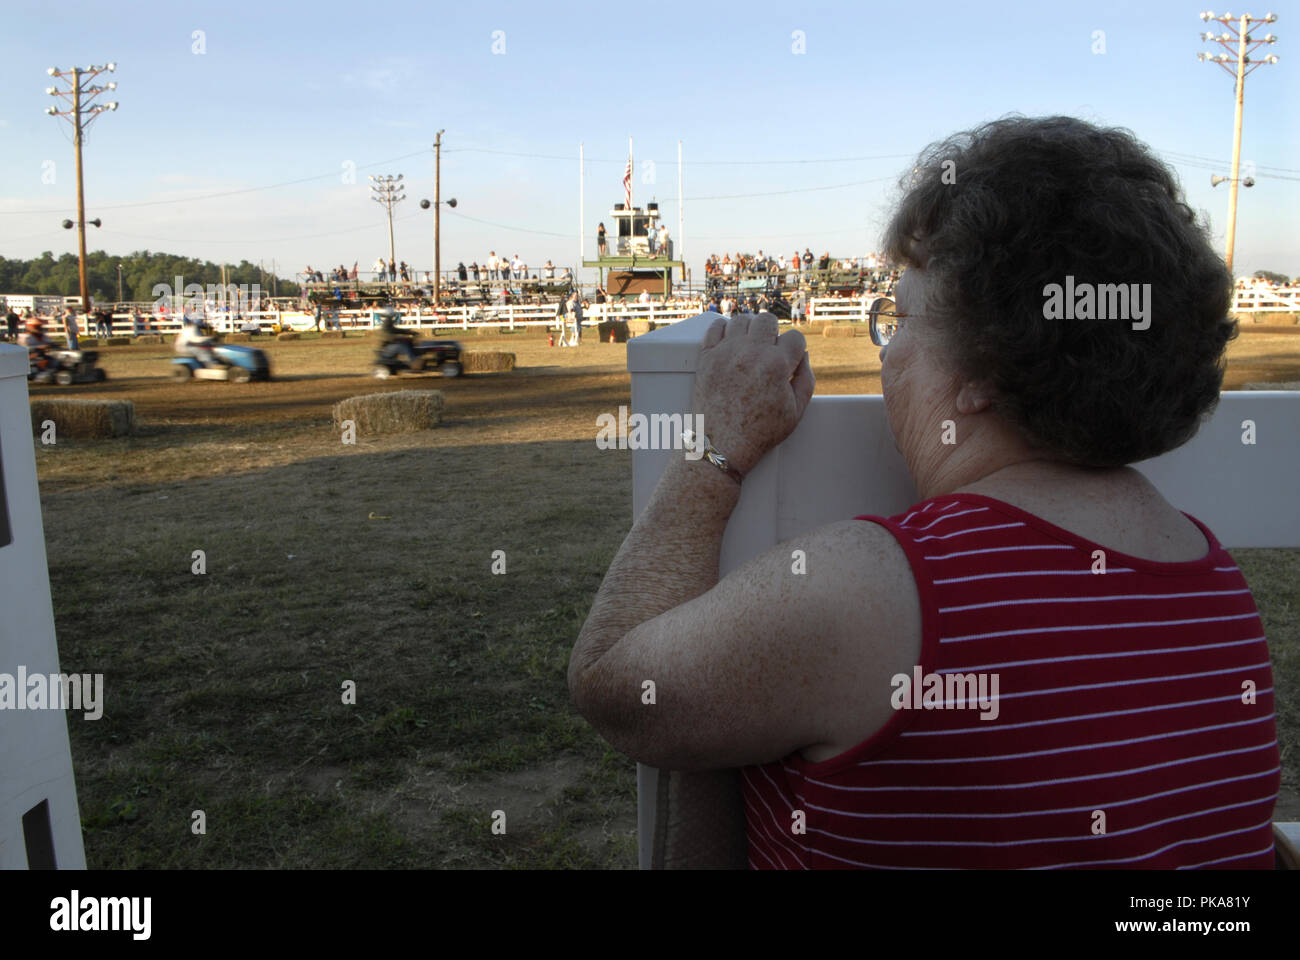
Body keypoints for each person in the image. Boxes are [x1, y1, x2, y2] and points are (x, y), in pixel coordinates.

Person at [567, 115, 1279, 869]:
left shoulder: (875, 591)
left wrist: (711, 453)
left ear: (980, 375)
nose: (890, 349)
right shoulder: (1221, 589)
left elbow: (615, 685)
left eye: (901, 317)